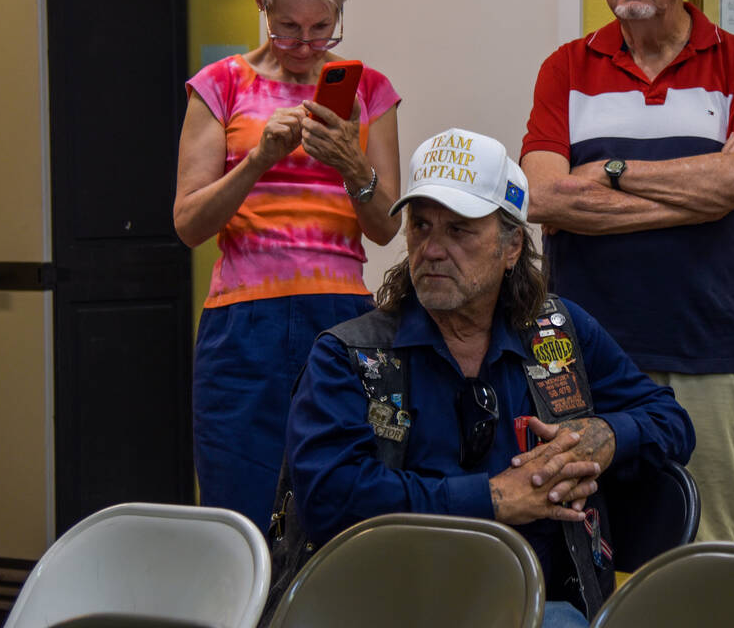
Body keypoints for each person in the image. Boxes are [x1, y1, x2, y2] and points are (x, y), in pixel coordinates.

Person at [285, 128, 693, 627]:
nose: (432, 249)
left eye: (459, 231)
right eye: (421, 227)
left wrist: (604, 436)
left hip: (534, 605)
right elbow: (333, 498)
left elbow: (670, 420)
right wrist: (495, 499)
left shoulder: (557, 330)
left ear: (512, 246)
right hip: (386, 604)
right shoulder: (349, 353)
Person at [521, 0, 734, 542]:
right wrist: (702, 192)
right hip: (580, 356)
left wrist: (609, 173)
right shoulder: (566, 68)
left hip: (709, 349)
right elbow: (543, 198)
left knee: (708, 554)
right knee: (582, 539)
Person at [173, 0, 402, 527]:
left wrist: (354, 166)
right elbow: (189, 223)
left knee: (346, 506)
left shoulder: (369, 90)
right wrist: (257, 162)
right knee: (238, 513)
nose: (305, 48)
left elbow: (386, 227)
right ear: (259, 2)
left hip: (341, 320)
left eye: (322, 29)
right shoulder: (219, 86)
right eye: (287, 29)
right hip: (242, 324)